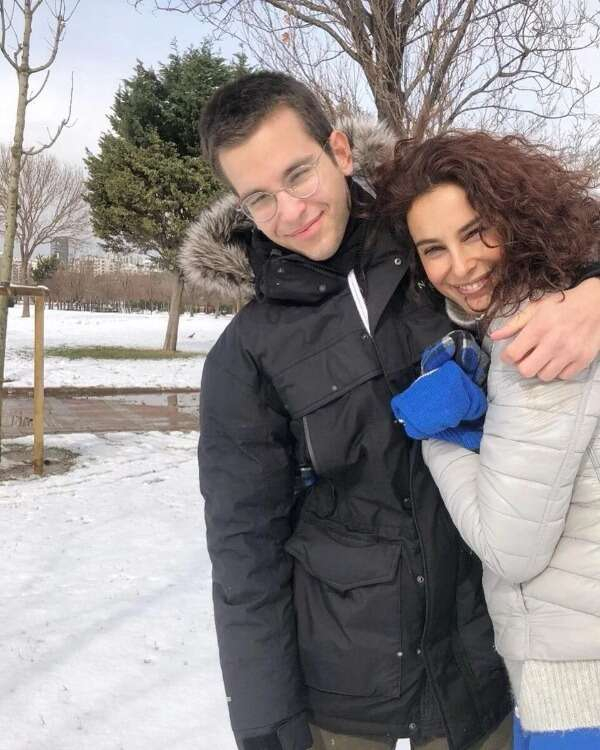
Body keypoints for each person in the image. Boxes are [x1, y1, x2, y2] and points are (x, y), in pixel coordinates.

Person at [178, 72, 600, 750]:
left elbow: (556, 225)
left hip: (484, 668)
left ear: (340, 151)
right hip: (350, 696)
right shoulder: (247, 354)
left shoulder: (436, 248)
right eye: (259, 198)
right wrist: (267, 725)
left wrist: (594, 293)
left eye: (298, 174)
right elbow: (243, 552)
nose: (290, 210)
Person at [374, 131, 600, 749]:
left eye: (475, 233)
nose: (460, 265)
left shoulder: (536, 340)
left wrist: (440, 435)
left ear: (517, 220)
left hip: (577, 685)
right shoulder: (562, 305)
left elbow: (510, 548)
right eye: (434, 249)